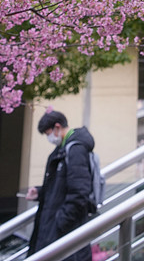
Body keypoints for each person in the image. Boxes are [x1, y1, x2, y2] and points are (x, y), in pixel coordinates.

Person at [27, 110, 95, 261]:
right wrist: (39, 192)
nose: (49, 138)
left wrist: (61, 221)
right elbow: (58, 186)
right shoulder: (61, 150)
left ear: (57, 127)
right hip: (54, 228)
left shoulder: (75, 149)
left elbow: (80, 191)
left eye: (48, 133)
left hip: (63, 231)